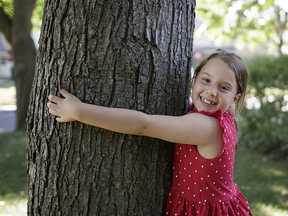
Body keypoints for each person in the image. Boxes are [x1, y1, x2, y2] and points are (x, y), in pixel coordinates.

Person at [47, 48, 252, 215]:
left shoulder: (205, 126)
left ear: (235, 97)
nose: (211, 91)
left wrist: (80, 111)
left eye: (224, 87)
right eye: (205, 80)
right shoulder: (225, 117)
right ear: (194, 78)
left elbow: (143, 125)